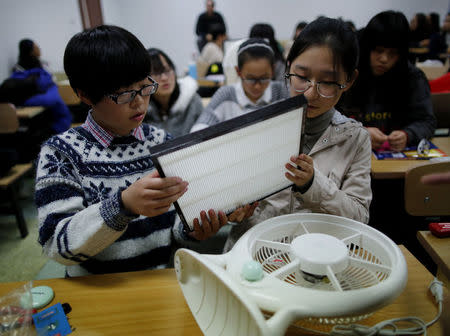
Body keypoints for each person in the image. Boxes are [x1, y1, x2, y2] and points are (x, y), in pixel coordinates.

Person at [34, 25, 254, 277]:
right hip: (95, 289)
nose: (139, 101)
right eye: (124, 94)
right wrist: (122, 206)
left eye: (144, 86)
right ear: (85, 95)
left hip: (159, 281)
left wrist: (194, 229)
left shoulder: (161, 142)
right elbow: (56, 244)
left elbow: (174, 226)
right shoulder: (61, 154)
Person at [223, 17, 372, 251]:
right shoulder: (260, 126)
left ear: (349, 80)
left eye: (328, 82)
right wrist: (232, 209)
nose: (311, 93)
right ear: (288, 66)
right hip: (254, 255)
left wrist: (313, 183)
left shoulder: (355, 139)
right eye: (301, 77)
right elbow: (232, 197)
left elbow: (359, 218)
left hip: (317, 261)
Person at [338, 10, 436, 152]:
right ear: (367, 48)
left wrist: (407, 135)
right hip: (351, 153)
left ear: (401, 55)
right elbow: (327, 119)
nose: (384, 59)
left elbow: (427, 121)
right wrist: (357, 133)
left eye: (393, 53)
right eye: (378, 50)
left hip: (395, 158)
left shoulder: (413, 77)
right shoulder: (348, 74)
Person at [191, 38, 289, 132]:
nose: (257, 86)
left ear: (273, 70)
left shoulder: (282, 92)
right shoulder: (226, 95)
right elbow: (200, 129)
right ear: (238, 72)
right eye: (251, 79)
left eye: (264, 78)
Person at [11, 39, 72, 135]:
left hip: (45, 94)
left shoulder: (42, 63)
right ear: (30, 50)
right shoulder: (18, 68)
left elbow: (49, 80)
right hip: (35, 96)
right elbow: (27, 85)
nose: (39, 49)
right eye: (36, 47)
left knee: (56, 104)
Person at [144, 48, 203, 138]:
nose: (164, 78)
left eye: (167, 70)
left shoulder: (193, 101)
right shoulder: (141, 111)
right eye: (156, 73)